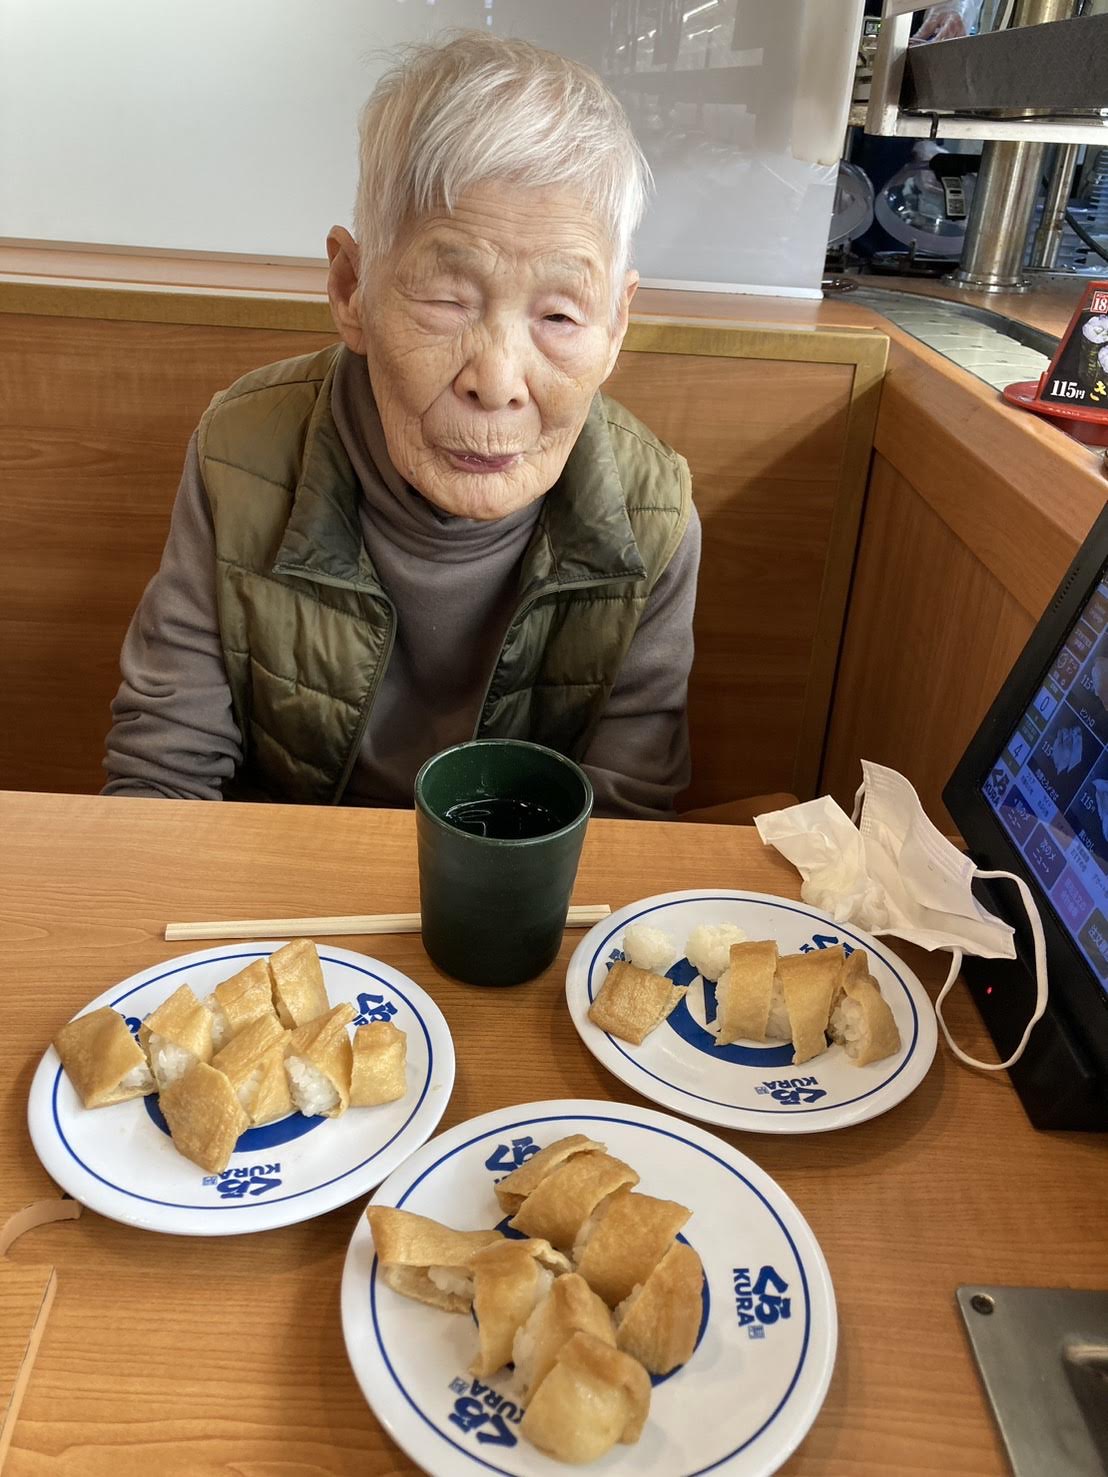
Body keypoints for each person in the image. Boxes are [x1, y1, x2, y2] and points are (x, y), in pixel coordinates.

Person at [103, 33, 701, 819]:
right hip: (274, 877)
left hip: (525, 897)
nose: (497, 381)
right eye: (448, 300)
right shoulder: (242, 454)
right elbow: (161, 778)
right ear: (351, 288)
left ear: (616, 325)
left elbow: (626, 826)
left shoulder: (653, 516)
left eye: (559, 315)